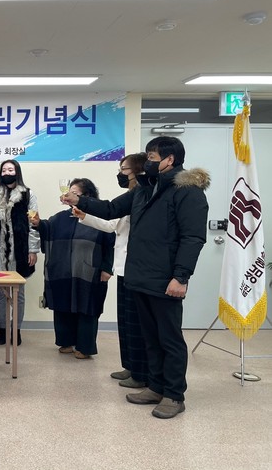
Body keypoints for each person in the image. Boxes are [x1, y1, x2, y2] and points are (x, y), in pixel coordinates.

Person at [61, 136, 209, 419]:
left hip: (165, 279)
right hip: (139, 276)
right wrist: (79, 200)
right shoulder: (144, 189)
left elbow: (193, 238)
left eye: (152, 157)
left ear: (170, 160)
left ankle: (174, 395)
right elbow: (110, 209)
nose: (148, 162)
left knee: (169, 339)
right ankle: (155, 386)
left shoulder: (187, 192)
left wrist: (181, 277)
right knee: (149, 337)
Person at [73, 153, 148, 386]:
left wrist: (80, 203)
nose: (120, 174)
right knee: (125, 323)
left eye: (124, 169)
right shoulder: (131, 197)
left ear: (138, 171)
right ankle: (130, 366)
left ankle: (140, 372)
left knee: (136, 324)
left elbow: (108, 209)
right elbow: (111, 225)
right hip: (124, 267)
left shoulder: (144, 196)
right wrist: (85, 216)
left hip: (137, 268)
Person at [33, 178, 115, 359]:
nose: (68, 196)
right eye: (68, 192)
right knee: (62, 304)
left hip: (89, 271)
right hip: (62, 269)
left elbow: (110, 243)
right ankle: (65, 341)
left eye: (74, 193)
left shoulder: (99, 219)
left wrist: (107, 268)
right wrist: (38, 224)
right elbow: (47, 229)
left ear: (87, 196)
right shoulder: (60, 217)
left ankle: (85, 347)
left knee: (88, 306)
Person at [0, 159, 40, 346]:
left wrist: (33, 249)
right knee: (0, 291)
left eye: (10, 169)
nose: (7, 172)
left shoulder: (28, 194)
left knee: (18, 292)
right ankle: (3, 330)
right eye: (4, 170)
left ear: (17, 172)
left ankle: (16, 330)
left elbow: (34, 224)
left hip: (20, 249)